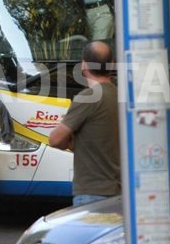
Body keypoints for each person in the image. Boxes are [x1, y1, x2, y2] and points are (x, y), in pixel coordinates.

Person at [48, 41, 120, 207]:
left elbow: (55, 140)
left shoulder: (88, 97)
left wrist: (70, 138)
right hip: (118, 190)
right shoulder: (119, 95)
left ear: (84, 65)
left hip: (92, 192)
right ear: (112, 65)